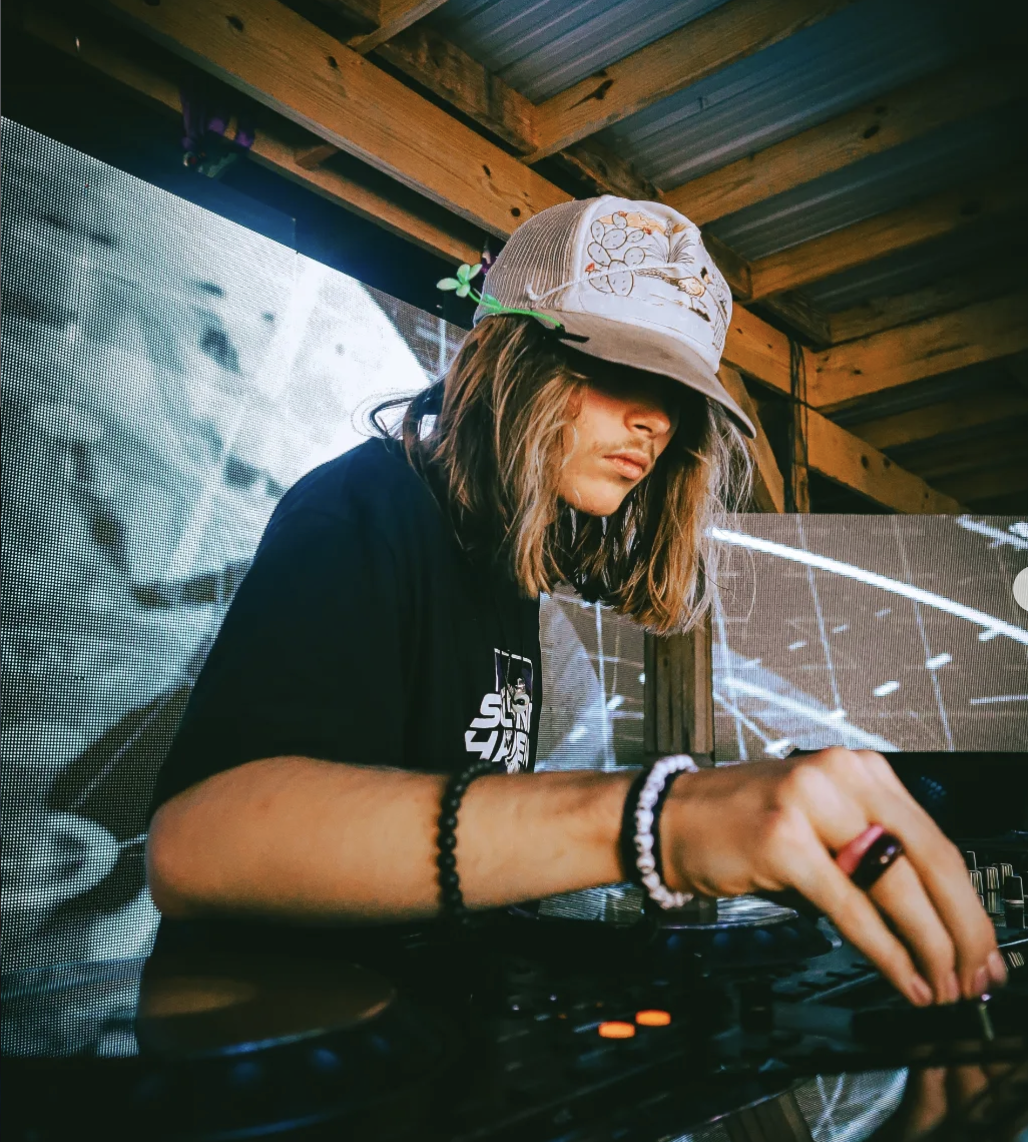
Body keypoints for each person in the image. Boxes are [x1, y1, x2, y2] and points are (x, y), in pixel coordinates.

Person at [146, 196, 1005, 1009]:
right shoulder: (362, 510)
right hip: (289, 1069)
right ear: (512, 359)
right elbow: (197, 851)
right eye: (621, 367)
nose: (656, 421)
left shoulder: (502, 570)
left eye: (674, 392)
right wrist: (651, 820)